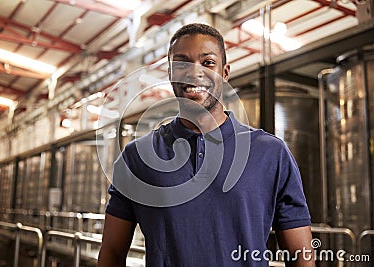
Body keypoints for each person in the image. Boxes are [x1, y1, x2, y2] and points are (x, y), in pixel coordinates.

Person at [98, 23, 315, 266]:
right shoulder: (137, 157)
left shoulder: (270, 153)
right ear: (170, 74)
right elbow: (112, 253)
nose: (194, 72)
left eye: (208, 62)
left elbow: (301, 255)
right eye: (182, 63)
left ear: (225, 73)